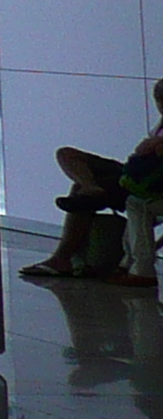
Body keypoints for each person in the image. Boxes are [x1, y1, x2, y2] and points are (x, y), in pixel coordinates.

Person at [22, 79, 163, 286]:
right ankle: (90, 187)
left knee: (81, 191)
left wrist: (149, 146)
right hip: (136, 174)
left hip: (148, 185)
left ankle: (63, 256)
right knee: (67, 155)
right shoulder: (159, 126)